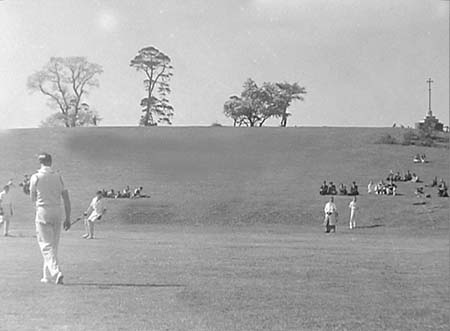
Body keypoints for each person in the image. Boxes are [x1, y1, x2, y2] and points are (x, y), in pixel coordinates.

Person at [29, 153, 71, 285]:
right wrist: (68, 217)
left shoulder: (35, 177)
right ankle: (46, 276)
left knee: (45, 245)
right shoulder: (58, 176)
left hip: (43, 211)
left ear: (39, 162)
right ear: (50, 162)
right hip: (57, 211)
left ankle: (56, 272)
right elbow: (66, 197)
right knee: (53, 246)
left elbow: (32, 197)